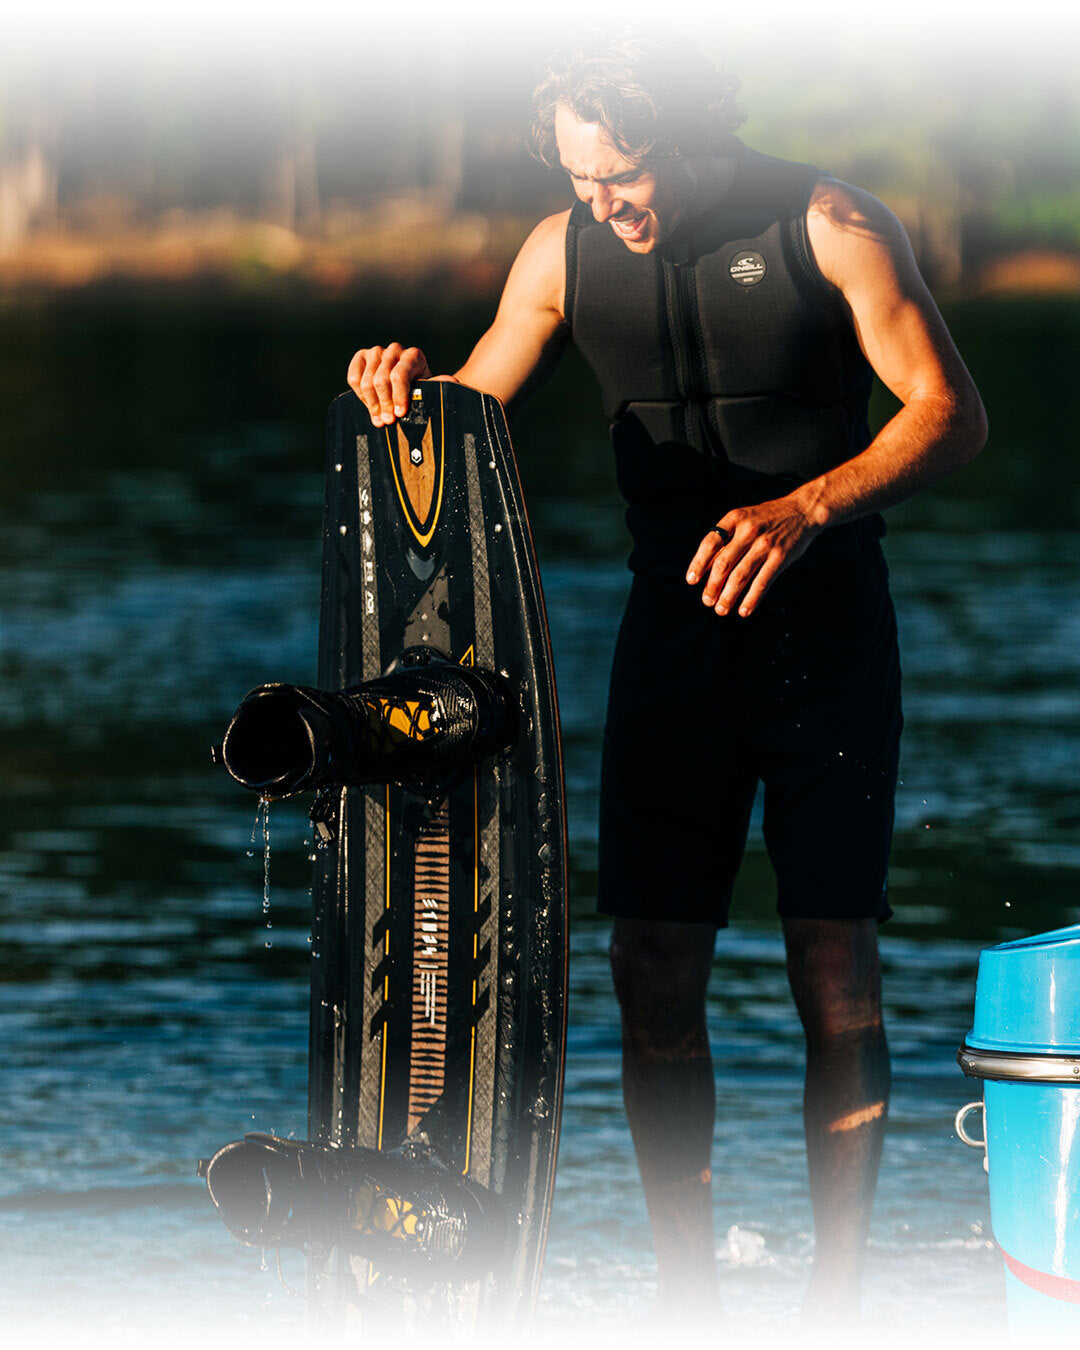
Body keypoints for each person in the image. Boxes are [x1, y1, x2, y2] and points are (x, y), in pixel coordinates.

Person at [346, 31, 987, 1324]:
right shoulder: (562, 252)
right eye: (581, 180)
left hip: (824, 631)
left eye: (623, 175)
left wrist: (807, 508)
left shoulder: (834, 224)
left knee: (834, 964)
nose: (602, 203)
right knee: (651, 964)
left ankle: (840, 1295)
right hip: (672, 645)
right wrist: (399, 394)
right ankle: (684, 1293)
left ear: (693, 135)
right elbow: (471, 411)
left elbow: (944, 411)